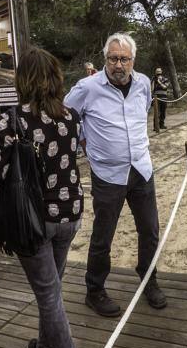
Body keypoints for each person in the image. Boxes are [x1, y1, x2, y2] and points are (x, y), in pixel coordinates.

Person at [0, 47, 84, 348]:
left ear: (22, 80)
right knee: (51, 292)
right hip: (71, 213)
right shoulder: (72, 117)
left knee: (48, 295)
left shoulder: (12, 120)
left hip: (33, 220)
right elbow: (74, 157)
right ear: (55, 78)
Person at [64, 32, 167, 317]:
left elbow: (143, 112)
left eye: (124, 59)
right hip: (108, 175)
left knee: (150, 230)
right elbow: (66, 117)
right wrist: (85, 141)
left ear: (133, 60)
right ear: (105, 59)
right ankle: (94, 291)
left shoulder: (144, 83)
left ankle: (149, 280)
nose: (118, 65)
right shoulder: (87, 87)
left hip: (141, 169)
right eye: (113, 59)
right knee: (102, 236)